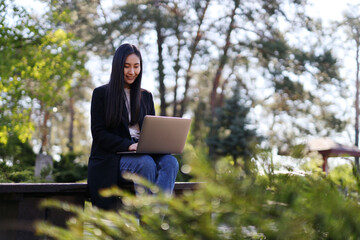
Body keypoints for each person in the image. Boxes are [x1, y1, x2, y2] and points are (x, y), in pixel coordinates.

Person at [88, 43, 179, 210]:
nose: (132, 72)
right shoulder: (101, 94)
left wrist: (159, 144)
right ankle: (148, 219)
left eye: (136, 66)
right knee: (145, 163)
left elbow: (151, 129)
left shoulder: (146, 96)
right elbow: (99, 133)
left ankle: (154, 221)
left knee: (170, 162)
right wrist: (129, 145)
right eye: (126, 66)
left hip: (143, 151)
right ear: (118, 67)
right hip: (114, 157)